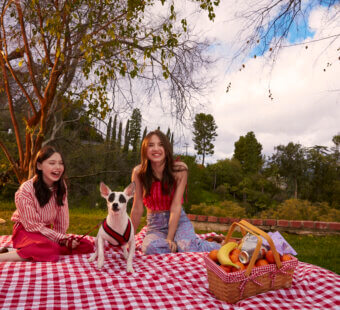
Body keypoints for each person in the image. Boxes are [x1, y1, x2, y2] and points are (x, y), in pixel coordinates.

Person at [130, 130, 221, 255]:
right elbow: (137, 208)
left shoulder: (180, 170)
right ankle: (184, 245)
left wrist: (169, 238)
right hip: (155, 225)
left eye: (160, 144)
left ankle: (219, 246)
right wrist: (129, 239)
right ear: (145, 150)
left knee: (186, 247)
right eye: (151, 145)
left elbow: (176, 206)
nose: (156, 149)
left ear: (166, 148)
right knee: (150, 249)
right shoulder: (139, 172)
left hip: (179, 221)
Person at [0, 145, 93, 262]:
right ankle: (6, 256)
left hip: (46, 231)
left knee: (85, 245)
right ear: (39, 166)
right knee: (51, 249)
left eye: (61, 163)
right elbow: (32, 225)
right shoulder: (26, 189)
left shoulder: (61, 185)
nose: (58, 167)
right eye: (52, 163)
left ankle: (23, 250)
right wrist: (61, 238)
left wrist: (63, 240)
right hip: (26, 231)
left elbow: (61, 218)